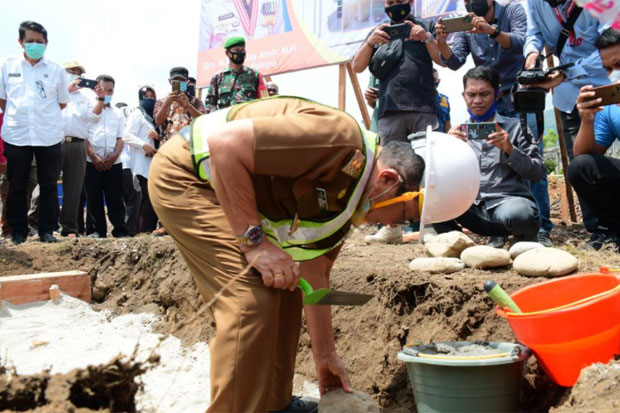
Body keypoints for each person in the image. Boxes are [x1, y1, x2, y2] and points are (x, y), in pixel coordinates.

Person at [147, 96, 441, 412]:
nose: (395, 224)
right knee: (250, 301)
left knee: (287, 286)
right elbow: (225, 145)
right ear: (389, 180)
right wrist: (254, 244)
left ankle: (274, 405)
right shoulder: (338, 139)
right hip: (188, 177)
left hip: (223, 185)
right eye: (404, 215)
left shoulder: (351, 199)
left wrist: (325, 355)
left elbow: (315, 275)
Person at [352, 0, 442, 244]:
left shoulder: (425, 26)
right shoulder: (379, 31)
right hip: (390, 109)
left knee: (428, 167)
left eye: (400, 1)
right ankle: (391, 226)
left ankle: (429, 225)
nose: (395, 6)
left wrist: (426, 38)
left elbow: (442, 59)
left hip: (423, 105)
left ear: (410, 2)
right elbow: (357, 66)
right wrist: (370, 43)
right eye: (390, 2)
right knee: (389, 169)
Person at [524, 0, 609, 241]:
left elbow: (612, 46)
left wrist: (564, 73)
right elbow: (534, 33)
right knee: (580, 164)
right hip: (569, 95)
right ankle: (599, 232)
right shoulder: (535, 2)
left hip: (606, 85)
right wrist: (532, 54)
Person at [440, 66, 545, 247]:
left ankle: (521, 242)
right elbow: (441, 179)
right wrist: (447, 149)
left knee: (522, 213)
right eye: (471, 95)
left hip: (507, 205)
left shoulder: (516, 128)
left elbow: (537, 173)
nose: (477, 100)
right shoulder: (457, 133)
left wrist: (510, 150)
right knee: (431, 201)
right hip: (470, 208)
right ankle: (457, 245)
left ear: (497, 95)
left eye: (484, 94)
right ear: (463, 96)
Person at [0, 21, 69, 244]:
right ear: (21, 42)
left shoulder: (56, 70)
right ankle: (18, 232)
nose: (35, 45)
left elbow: (62, 102)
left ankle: (46, 230)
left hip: (48, 134)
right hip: (17, 133)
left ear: (46, 43)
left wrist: (42, 116)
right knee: (17, 184)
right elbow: (3, 100)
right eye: (30, 41)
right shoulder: (7, 66)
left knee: (48, 185)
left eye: (39, 42)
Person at [568, 28, 620, 250]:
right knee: (582, 166)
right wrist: (587, 120)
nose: (613, 74)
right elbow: (583, 158)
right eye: (608, 69)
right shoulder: (610, 109)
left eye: (619, 65)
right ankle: (607, 234)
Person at [436, 0, 527, 116]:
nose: (471, 2)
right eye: (466, 0)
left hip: (521, 96)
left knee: (527, 129)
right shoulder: (465, 25)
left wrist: (492, 31)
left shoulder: (512, 10)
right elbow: (455, 62)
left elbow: (521, 43)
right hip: (489, 104)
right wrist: (441, 43)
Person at [84, 74, 128, 238]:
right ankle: (97, 231)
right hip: (91, 161)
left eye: (110, 90)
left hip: (113, 162)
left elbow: (121, 137)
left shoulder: (118, 112)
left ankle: (120, 230)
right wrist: (93, 156)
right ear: (96, 89)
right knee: (93, 197)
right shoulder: (88, 110)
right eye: (104, 89)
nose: (107, 93)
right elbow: (83, 136)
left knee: (115, 197)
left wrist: (114, 157)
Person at [59, 61, 91, 238]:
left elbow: (94, 117)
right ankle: (36, 222)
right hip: (56, 142)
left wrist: (100, 98)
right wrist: (66, 91)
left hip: (78, 144)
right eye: (71, 71)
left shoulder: (85, 98)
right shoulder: (54, 90)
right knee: (45, 184)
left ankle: (69, 227)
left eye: (78, 73)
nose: (75, 75)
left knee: (73, 188)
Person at [123, 86, 159, 234]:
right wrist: (143, 145)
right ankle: (143, 231)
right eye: (146, 96)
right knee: (147, 198)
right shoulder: (137, 114)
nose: (149, 99)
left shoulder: (153, 117)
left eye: (152, 96)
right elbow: (126, 135)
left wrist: (156, 136)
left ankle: (146, 230)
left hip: (153, 164)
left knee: (151, 198)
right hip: (141, 163)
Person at [204, 36, 269, 112]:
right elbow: (210, 104)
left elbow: (265, 100)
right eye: (237, 50)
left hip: (249, 117)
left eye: (242, 50)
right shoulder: (217, 77)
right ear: (227, 53)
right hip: (226, 118)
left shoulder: (256, 75)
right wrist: (219, 115)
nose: (240, 53)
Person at [154, 67, 205, 147]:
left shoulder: (196, 101)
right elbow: (158, 122)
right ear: (170, 81)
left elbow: (203, 121)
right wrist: (166, 104)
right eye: (175, 80)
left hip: (190, 147)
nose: (179, 83)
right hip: (168, 147)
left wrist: (189, 106)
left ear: (187, 82)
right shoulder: (161, 102)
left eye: (182, 80)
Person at [434, 68, 451, 133]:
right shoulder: (416, 100)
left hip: (440, 136)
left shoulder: (444, 100)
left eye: (435, 79)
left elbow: (447, 125)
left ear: (439, 81)